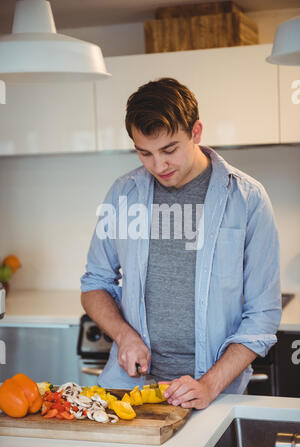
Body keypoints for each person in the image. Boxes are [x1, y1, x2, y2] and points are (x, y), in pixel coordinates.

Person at [80, 78, 282, 410]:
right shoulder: (123, 193)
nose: (158, 166)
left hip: (213, 395)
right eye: (145, 153)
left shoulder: (247, 199)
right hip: (129, 392)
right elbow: (94, 283)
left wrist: (209, 385)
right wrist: (124, 336)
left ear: (196, 132)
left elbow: (263, 315)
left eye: (169, 149)